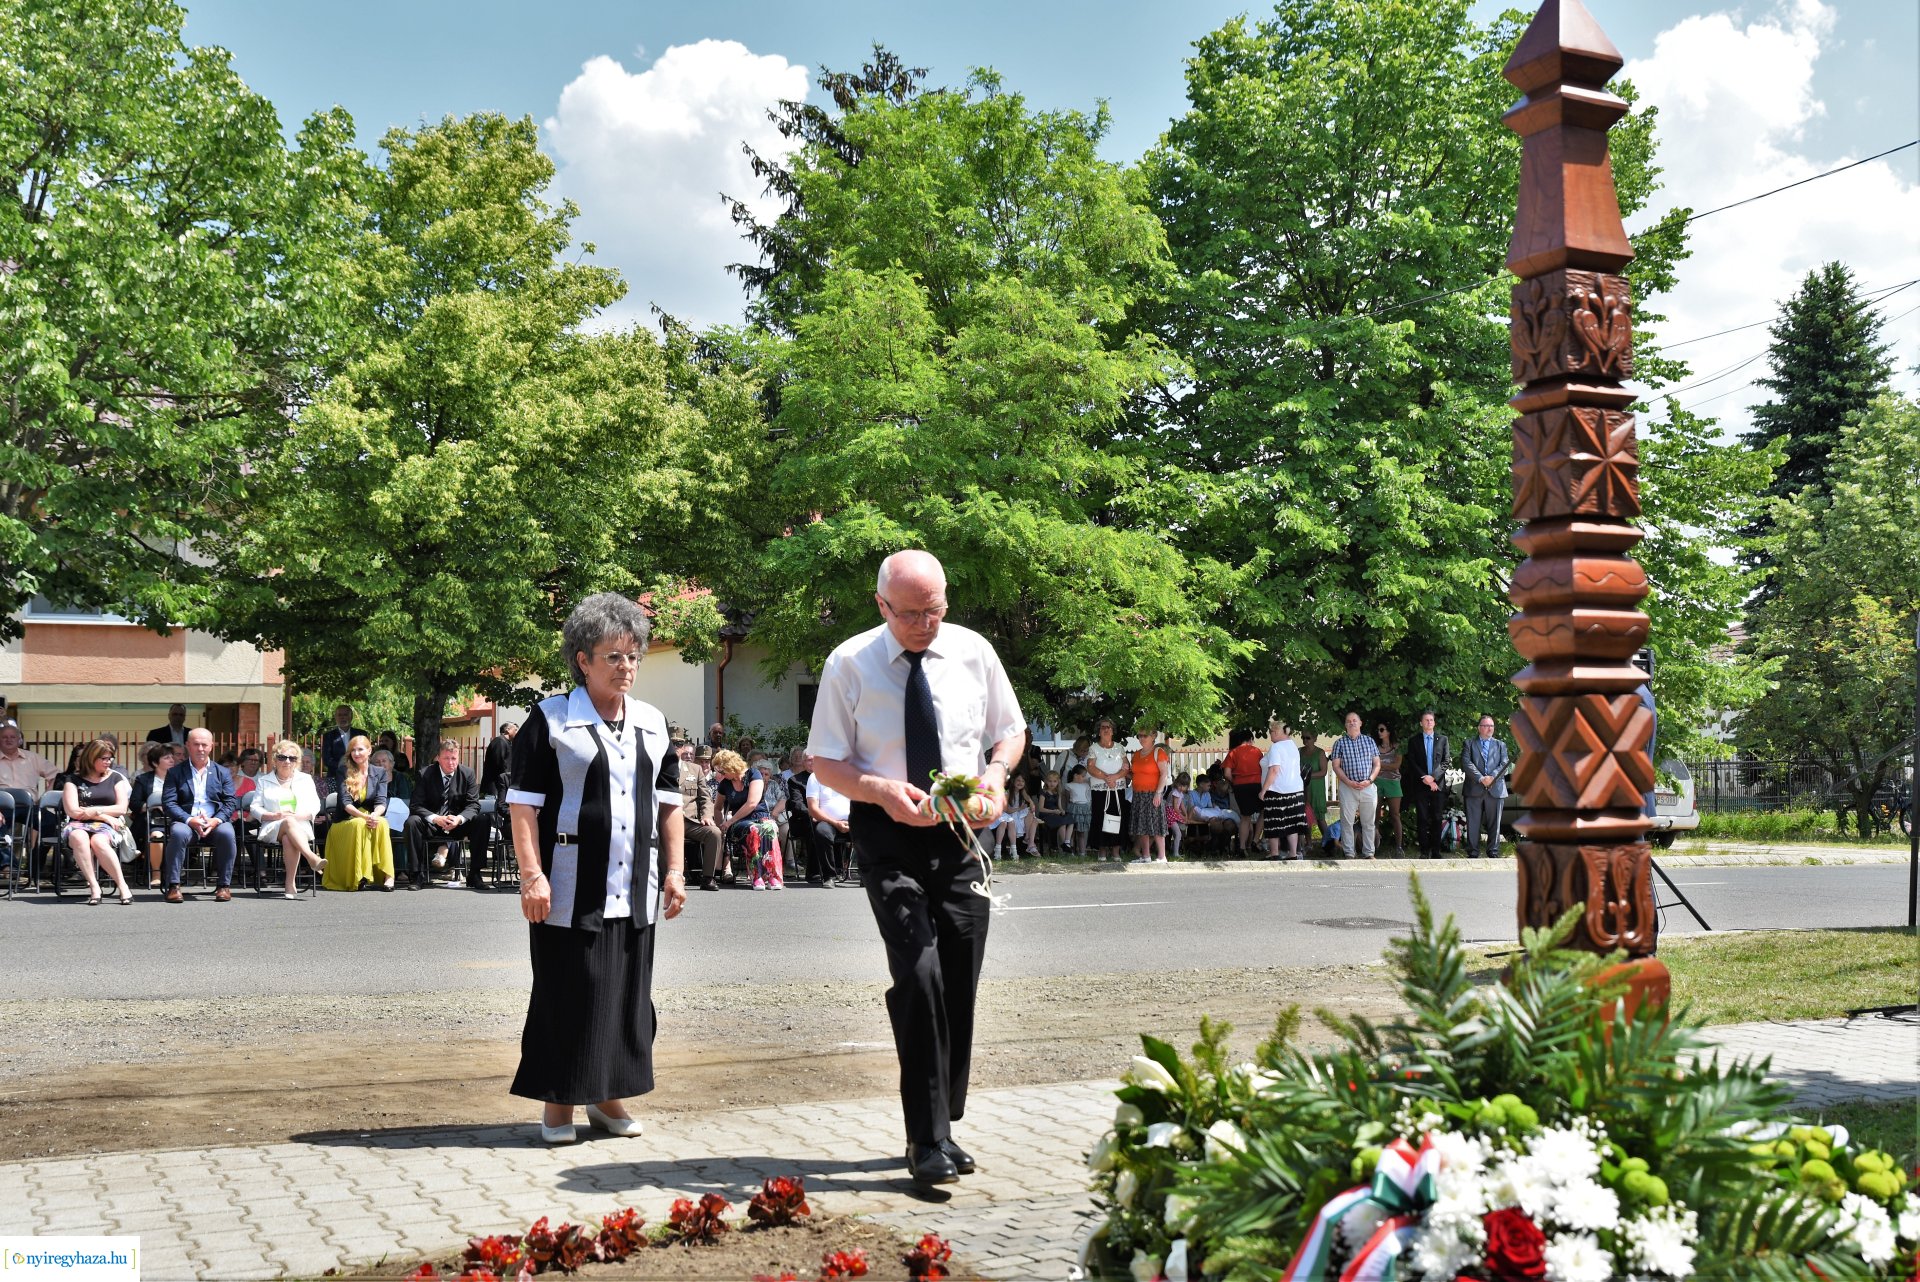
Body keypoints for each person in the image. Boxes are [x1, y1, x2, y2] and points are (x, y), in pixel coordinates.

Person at [806, 549, 1024, 1187]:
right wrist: (877, 790)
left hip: (960, 834)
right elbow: (824, 761)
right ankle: (924, 1139)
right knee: (920, 973)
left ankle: (943, 1122)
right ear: (881, 606)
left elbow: (1008, 731)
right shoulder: (849, 663)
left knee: (959, 978)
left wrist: (994, 776)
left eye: (935, 610)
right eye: (910, 615)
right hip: (888, 834)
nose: (925, 624)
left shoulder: (974, 652)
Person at [506, 591, 686, 1145]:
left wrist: (676, 870)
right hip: (567, 882)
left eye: (633, 655)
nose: (626, 666)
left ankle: (609, 1099)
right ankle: (558, 1102)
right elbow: (523, 804)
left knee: (628, 994)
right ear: (582, 660)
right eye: (613, 656)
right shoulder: (551, 719)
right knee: (568, 989)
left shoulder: (653, 723)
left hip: (634, 882)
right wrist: (531, 875)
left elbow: (669, 802)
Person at [160, 728, 241, 903]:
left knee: (228, 833)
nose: (200, 749)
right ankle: (174, 886)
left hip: (215, 821)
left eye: (204, 744)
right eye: (196, 744)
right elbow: (169, 803)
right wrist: (190, 820)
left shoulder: (222, 772)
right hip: (186, 820)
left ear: (212, 746)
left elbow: (230, 802)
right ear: (188, 746)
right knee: (179, 833)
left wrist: (216, 820)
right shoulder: (175, 772)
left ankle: (223, 886)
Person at [406, 738, 487, 888]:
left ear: (458, 757)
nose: (451, 762)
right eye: (446, 758)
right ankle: (417, 875)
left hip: (457, 824)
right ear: (438, 758)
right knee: (412, 822)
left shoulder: (467, 773)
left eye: (454, 758)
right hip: (433, 824)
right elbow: (416, 805)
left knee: (482, 820)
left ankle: (475, 874)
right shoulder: (425, 774)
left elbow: (473, 804)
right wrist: (435, 818)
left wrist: (459, 819)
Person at [62, 739, 134, 904]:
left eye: (110, 758)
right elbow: (72, 811)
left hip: (109, 825)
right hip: (78, 823)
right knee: (79, 837)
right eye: (103, 758)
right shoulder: (73, 779)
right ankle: (94, 886)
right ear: (91, 758)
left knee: (99, 841)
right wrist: (103, 815)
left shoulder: (116, 778)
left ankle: (123, 886)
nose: (108, 762)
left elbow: (122, 808)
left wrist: (96, 811)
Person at [252, 741, 326, 897]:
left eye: (292, 758)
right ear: (274, 759)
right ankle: (311, 857)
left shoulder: (305, 779)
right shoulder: (264, 781)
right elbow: (255, 808)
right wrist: (274, 815)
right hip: (272, 825)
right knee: (287, 822)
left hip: (300, 826)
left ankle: (290, 883)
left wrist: (296, 816)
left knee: (288, 837)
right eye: (282, 757)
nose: (287, 761)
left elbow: (315, 805)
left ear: (296, 761)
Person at [322, 735, 395, 891]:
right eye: (353, 750)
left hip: (370, 816)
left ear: (369, 751)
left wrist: (375, 815)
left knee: (383, 823)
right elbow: (345, 803)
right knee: (359, 824)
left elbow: (381, 802)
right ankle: (360, 875)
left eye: (360, 749)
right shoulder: (343, 771)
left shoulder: (380, 772)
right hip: (346, 820)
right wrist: (365, 817)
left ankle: (388, 876)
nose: (356, 753)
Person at [713, 749, 780, 890]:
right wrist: (721, 825)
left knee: (770, 826)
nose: (721, 774)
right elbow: (717, 807)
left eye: (723, 771)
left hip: (759, 816)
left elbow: (752, 803)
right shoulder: (725, 784)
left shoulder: (753, 774)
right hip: (740, 822)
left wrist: (729, 821)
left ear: (731, 766)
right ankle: (757, 876)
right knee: (753, 829)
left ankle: (772, 875)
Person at [1330, 712, 1382, 859]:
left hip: (1368, 786)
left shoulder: (1370, 741)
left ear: (1360, 723)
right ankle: (1349, 853)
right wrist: (1348, 781)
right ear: (1345, 725)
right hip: (1348, 787)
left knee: (1369, 822)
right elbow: (1336, 766)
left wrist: (1370, 780)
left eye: (1354, 720)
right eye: (1348, 721)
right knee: (1347, 822)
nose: (1352, 723)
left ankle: (1369, 853)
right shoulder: (1339, 743)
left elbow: (1377, 764)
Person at [1402, 710, 1451, 859]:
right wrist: (1424, 777)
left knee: (1437, 818)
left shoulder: (1442, 739)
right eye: (1426, 720)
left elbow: (1446, 761)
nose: (1429, 722)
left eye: (1431, 720)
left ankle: (1436, 851)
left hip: (1438, 785)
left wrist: (1433, 778)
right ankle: (1424, 851)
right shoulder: (1414, 741)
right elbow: (1412, 761)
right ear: (1421, 723)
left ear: (1434, 723)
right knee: (1422, 818)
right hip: (1420, 785)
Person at [1461, 715, 1511, 858]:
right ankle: (1473, 852)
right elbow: (1466, 763)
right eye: (1486, 726)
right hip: (1474, 789)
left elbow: (1504, 765)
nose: (1490, 728)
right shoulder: (1469, 744)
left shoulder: (1501, 745)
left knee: (1495, 824)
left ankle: (1493, 852)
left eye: (1492, 726)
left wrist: (1492, 778)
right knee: (1473, 823)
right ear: (1479, 728)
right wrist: (1481, 778)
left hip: (1495, 790)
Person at [678, 742, 725, 891]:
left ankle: (707, 878)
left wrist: (707, 816)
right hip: (667, 821)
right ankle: (665, 876)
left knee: (714, 832)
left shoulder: (695, 769)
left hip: (690, 821)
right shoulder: (659, 767)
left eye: (678, 744)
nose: (675, 747)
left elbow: (705, 798)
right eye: (673, 744)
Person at [1260, 719, 1308, 860]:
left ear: (1277, 732)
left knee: (1274, 821)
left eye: (1272, 732)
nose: (1271, 735)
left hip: (1277, 789)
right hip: (1295, 789)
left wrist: (1264, 789)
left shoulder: (1276, 747)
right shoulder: (1292, 745)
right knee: (1292, 822)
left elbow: (1274, 770)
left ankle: (1274, 853)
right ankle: (1293, 853)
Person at [1085, 718, 1130, 861]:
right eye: (1103, 727)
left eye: (1109, 727)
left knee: (1117, 818)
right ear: (1099, 731)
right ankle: (1102, 851)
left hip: (1117, 788)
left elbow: (1126, 767)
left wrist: (1115, 777)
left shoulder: (1119, 748)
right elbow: (1091, 767)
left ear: (1112, 731)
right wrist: (1106, 778)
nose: (1106, 729)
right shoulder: (1093, 748)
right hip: (1100, 790)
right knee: (1101, 818)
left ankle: (1116, 851)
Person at [1129, 727, 1171, 863]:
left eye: (1144, 736)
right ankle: (1146, 856)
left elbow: (1164, 774)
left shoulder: (1159, 752)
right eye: (1139, 736)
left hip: (1153, 793)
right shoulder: (1136, 755)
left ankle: (1162, 856)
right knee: (1142, 826)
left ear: (1153, 736)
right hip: (1138, 794)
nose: (1141, 738)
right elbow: (1133, 774)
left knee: (1157, 824)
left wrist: (1158, 793)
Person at [805, 769, 852, 884]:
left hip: (851, 820)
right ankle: (829, 876)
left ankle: (865, 876)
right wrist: (835, 823)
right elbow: (813, 809)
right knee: (822, 832)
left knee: (868, 831)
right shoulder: (815, 777)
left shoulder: (851, 774)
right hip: (827, 821)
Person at [1224, 728, 1264, 853]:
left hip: (1240, 786)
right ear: (1251, 739)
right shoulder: (1257, 751)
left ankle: (1242, 847)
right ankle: (1255, 840)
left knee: (1245, 817)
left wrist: (1234, 782)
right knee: (1264, 811)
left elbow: (1227, 773)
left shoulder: (1233, 752)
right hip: (1256, 784)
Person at [1374, 724, 1405, 854]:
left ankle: (1399, 847)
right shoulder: (1374, 748)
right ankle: (1373, 846)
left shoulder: (1397, 747)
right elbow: (1372, 764)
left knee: (1395, 815)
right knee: (1374, 816)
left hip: (1393, 783)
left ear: (1389, 732)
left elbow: (1396, 765)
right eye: (1378, 730)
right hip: (1377, 782)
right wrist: (1385, 765)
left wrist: (1379, 765)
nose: (1379, 732)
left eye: (1382, 730)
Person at [1302, 733, 1331, 851]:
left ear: (1314, 738)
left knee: (1320, 817)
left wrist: (1308, 775)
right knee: (1306, 816)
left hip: (1316, 787)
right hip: (1304, 787)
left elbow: (1323, 772)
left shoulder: (1320, 752)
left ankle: (1329, 843)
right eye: (1303, 737)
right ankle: (1309, 843)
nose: (1305, 740)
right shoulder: (1299, 751)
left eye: (1308, 737)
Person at [998, 772, 1036, 858]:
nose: (1020, 783)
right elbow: (1006, 810)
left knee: (1032, 817)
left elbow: (1029, 799)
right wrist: (1019, 808)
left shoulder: (1022, 792)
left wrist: (1032, 803)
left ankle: (1027, 838)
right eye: (1018, 780)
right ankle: (1029, 843)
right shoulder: (1007, 793)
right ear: (1013, 781)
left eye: (1022, 781)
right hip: (1010, 813)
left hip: (1018, 812)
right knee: (1032, 820)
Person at [1035, 770, 1070, 854]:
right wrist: (1053, 811)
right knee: (1061, 822)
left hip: (1055, 813)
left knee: (1069, 819)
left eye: (1054, 781)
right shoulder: (1043, 792)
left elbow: (1059, 806)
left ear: (1058, 782)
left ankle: (1065, 843)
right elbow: (1040, 808)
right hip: (1045, 814)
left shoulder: (1057, 792)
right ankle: (1062, 845)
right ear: (1046, 781)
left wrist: (1062, 811)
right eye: (1050, 781)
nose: (1052, 783)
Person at [1062, 764, 1093, 855]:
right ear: (1075, 775)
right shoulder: (1068, 785)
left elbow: (1089, 797)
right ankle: (1070, 852)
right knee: (1071, 832)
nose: (1084, 778)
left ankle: (1082, 853)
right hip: (1073, 809)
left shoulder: (1086, 786)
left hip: (1085, 810)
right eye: (1083, 776)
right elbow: (1067, 799)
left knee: (1081, 832)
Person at [1164, 773, 1190, 859]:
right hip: (1171, 813)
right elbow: (1175, 807)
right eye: (1180, 785)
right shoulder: (1175, 792)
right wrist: (1182, 817)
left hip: (1174, 813)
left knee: (1178, 834)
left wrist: (1185, 814)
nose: (1181, 787)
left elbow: (1181, 805)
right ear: (1177, 783)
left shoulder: (1180, 793)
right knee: (1178, 834)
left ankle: (1176, 851)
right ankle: (1175, 853)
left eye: (1184, 786)